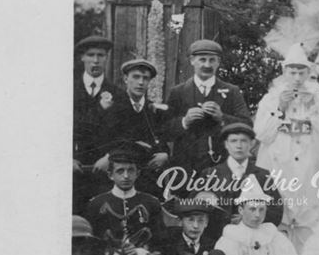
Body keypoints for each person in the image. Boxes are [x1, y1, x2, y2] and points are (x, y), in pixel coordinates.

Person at [254, 43, 319, 251]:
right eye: (292, 72)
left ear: (309, 72)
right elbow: (261, 133)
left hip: (311, 168)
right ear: (284, 72)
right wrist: (280, 107)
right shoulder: (270, 98)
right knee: (279, 216)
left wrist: (312, 108)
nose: (297, 78)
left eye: (301, 72)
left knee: (311, 219)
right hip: (279, 167)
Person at [164, 39, 251, 173]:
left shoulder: (231, 91)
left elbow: (247, 125)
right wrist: (184, 121)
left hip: (222, 164)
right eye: (202, 60)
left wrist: (222, 118)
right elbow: (165, 130)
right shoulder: (178, 92)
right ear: (192, 60)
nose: (207, 65)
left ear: (218, 62)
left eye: (212, 60)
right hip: (186, 165)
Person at [96, 59, 170, 198]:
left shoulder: (154, 110)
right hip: (119, 177)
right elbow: (105, 140)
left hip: (148, 177)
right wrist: (110, 155)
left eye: (145, 78)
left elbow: (162, 139)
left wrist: (165, 155)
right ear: (125, 79)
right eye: (136, 77)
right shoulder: (113, 107)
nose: (141, 82)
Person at [198, 123, 284, 242]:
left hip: (254, 238)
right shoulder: (211, 174)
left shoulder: (262, 175)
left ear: (252, 144)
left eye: (243, 141)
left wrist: (249, 217)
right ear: (226, 144)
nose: (238, 146)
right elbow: (196, 206)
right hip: (218, 239)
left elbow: (277, 211)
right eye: (233, 141)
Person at [73, 35, 117, 212]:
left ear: (107, 58)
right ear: (82, 57)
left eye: (101, 55)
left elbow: (124, 132)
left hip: (104, 171)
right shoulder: (68, 89)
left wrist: (110, 157)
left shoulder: (117, 94)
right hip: (74, 169)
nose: (96, 60)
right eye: (91, 55)